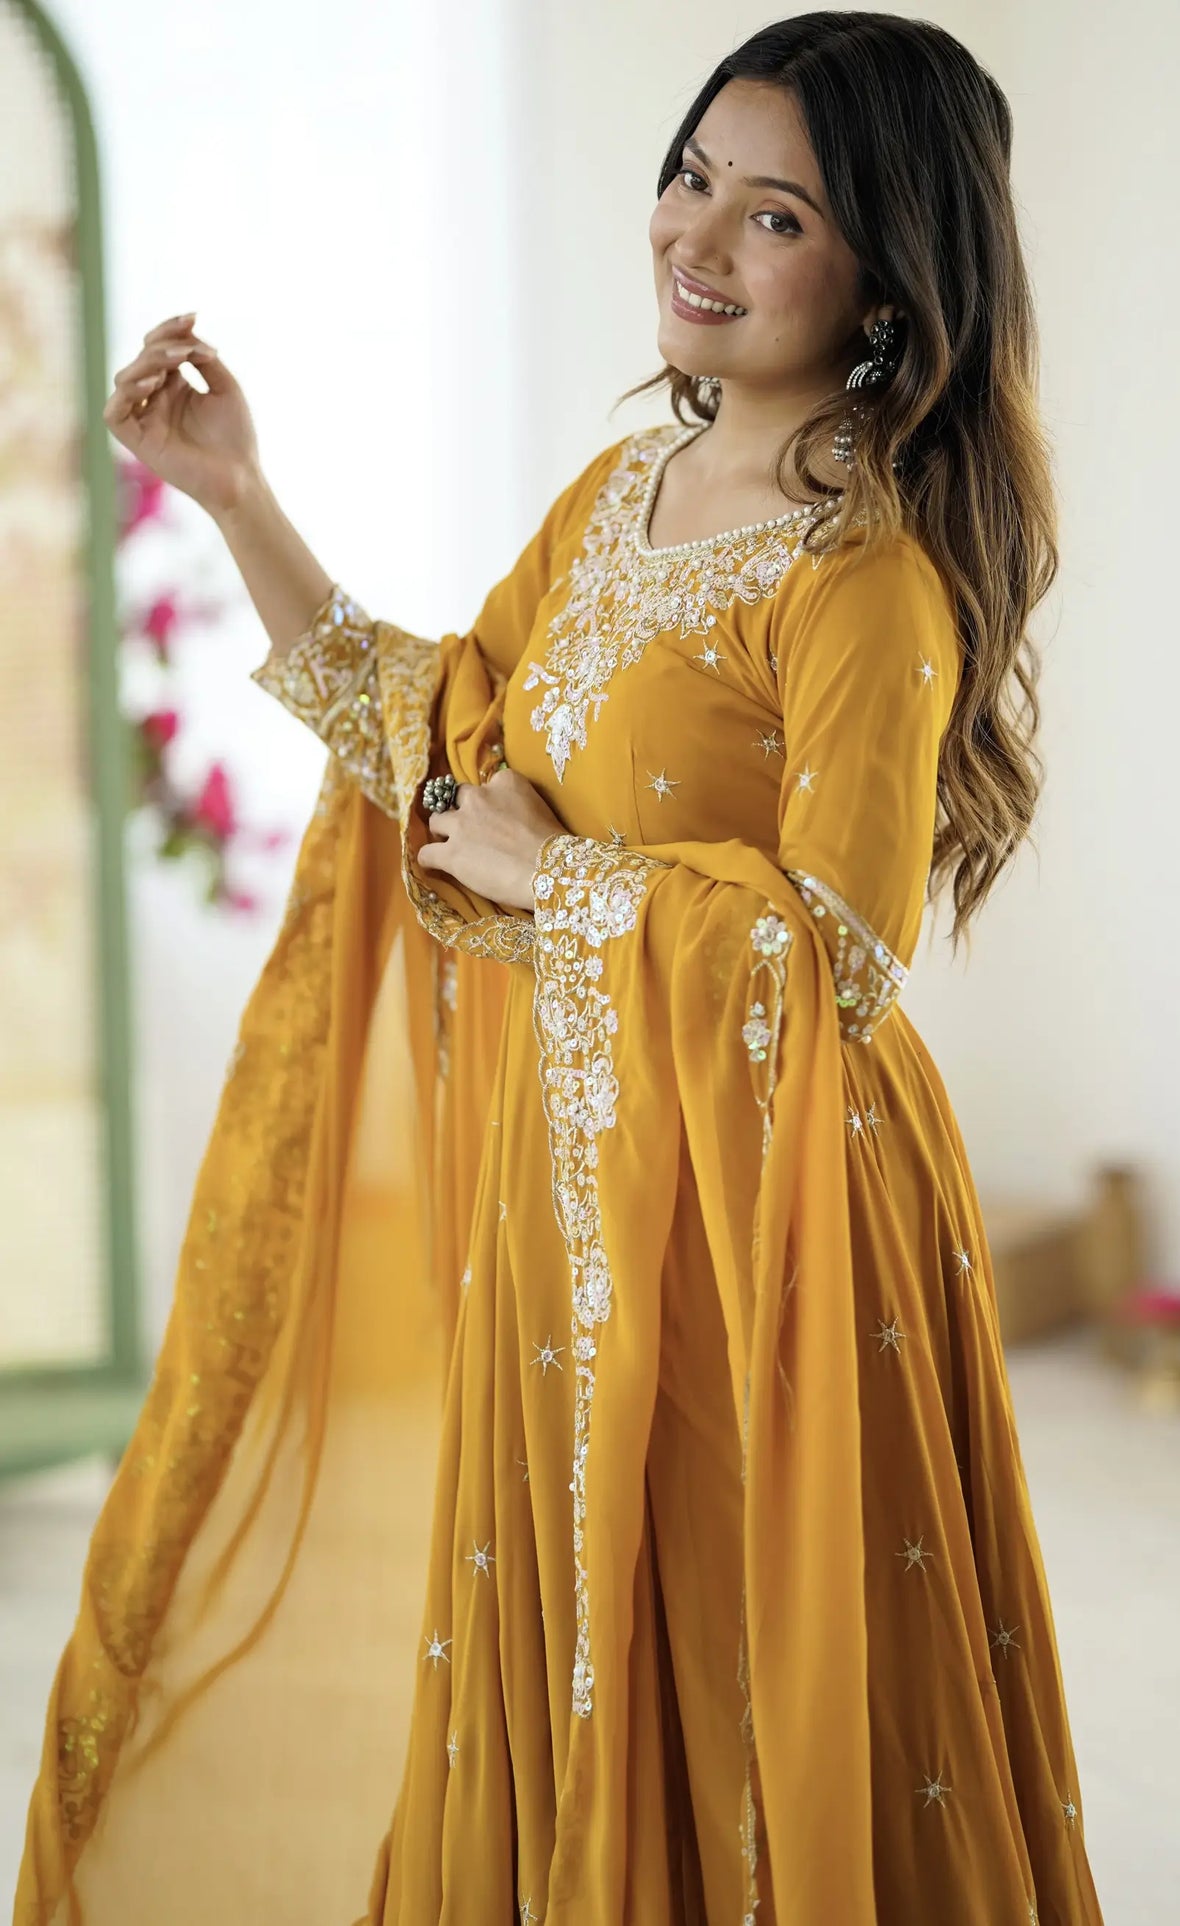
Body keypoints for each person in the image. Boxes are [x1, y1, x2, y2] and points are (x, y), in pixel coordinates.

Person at [16, 14, 1105, 1925]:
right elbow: (431, 741)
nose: (697, 236)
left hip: (761, 1237)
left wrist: (573, 881)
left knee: (723, 1671)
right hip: (569, 1183)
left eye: (774, 216)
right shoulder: (618, 503)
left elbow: (834, 966)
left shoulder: (867, 580)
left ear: (880, 279)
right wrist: (236, 492)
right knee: (540, 1666)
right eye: (694, 175)